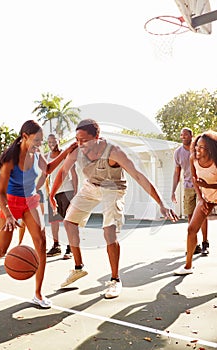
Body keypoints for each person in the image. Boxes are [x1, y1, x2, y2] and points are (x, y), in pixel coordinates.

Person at [50, 119, 178, 299]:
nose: (80, 144)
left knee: (109, 230)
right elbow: (62, 172)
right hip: (91, 186)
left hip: (114, 188)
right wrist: (51, 194)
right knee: (69, 222)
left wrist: (161, 203)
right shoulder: (77, 151)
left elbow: (139, 176)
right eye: (77, 139)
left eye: (84, 140)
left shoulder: (114, 152)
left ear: (97, 137)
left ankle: (115, 280)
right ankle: (78, 268)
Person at [0, 120, 77, 308]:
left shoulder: (37, 153)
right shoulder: (10, 159)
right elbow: (0, 193)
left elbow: (48, 169)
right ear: (25, 137)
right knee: (0, 250)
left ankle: (38, 293)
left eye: (41, 141)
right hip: (10, 203)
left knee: (41, 245)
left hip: (31, 201)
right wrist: (9, 215)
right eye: (36, 140)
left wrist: (67, 151)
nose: (39, 144)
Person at [174, 130, 217, 275]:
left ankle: (206, 243)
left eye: (202, 147)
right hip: (206, 198)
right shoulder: (193, 158)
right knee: (191, 229)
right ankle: (188, 266)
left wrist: (208, 186)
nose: (198, 149)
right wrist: (201, 197)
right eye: (197, 146)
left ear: (210, 148)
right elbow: (194, 180)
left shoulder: (216, 160)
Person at [171, 128, 209, 256]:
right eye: (181, 135)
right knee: (190, 216)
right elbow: (177, 173)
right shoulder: (178, 153)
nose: (183, 137)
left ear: (191, 136)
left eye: (185, 135)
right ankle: (194, 244)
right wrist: (173, 190)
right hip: (188, 187)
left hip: (202, 186)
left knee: (202, 215)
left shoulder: (199, 149)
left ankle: (205, 243)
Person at [45, 134, 78, 259]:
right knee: (54, 221)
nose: (52, 143)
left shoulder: (66, 154)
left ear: (59, 141)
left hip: (67, 190)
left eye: (54, 141)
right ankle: (56, 246)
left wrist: (75, 191)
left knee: (68, 221)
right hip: (54, 193)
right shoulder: (47, 157)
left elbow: (73, 173)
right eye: (49, 141)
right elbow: (47, 177)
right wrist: (49, 193)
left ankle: (70, 248)